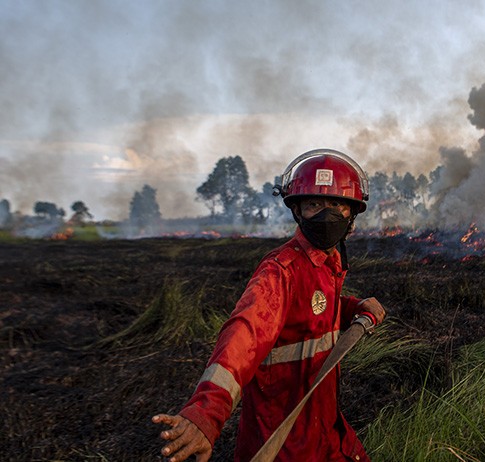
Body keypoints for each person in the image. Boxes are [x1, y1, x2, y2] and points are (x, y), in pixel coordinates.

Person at [152, 149, 386, 462]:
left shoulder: (328, 263)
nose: (326, 215)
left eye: (336, 205)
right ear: (297, 211)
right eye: (314, 205)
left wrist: (353, 308)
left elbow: (310, 311)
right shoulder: (280, 272)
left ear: (352, 214)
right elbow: (243, 336)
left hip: (324, 425)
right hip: (283, 439)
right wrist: (207, 412)